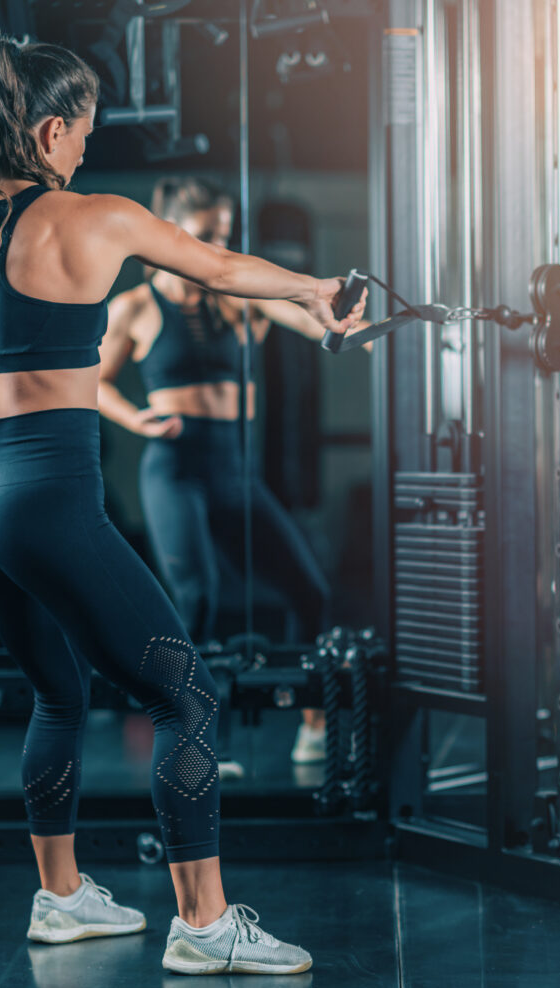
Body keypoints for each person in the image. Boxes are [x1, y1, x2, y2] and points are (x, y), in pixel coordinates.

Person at [0, 38, 363, 975]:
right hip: (50, 500)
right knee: (188, 696)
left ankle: (59, 899)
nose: (84, 151)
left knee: (59, 689)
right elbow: (220, 267)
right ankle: (204, 926)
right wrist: (317, 289)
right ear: (50, 129)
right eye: (81, 133)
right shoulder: (95, 221)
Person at [98, 178, 362, 766]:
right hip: (174, 468)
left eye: (224, 235)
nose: (218, 248)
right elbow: (96, 383)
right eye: (206, 236)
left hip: (234, 469)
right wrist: (136, 422)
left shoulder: (237, 299)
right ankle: (191, 742)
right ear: (170, 236)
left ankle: (313, 721)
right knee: (196, 600)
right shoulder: (135, 307)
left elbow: (311, 323)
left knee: (311, 592)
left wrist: (363, 334)